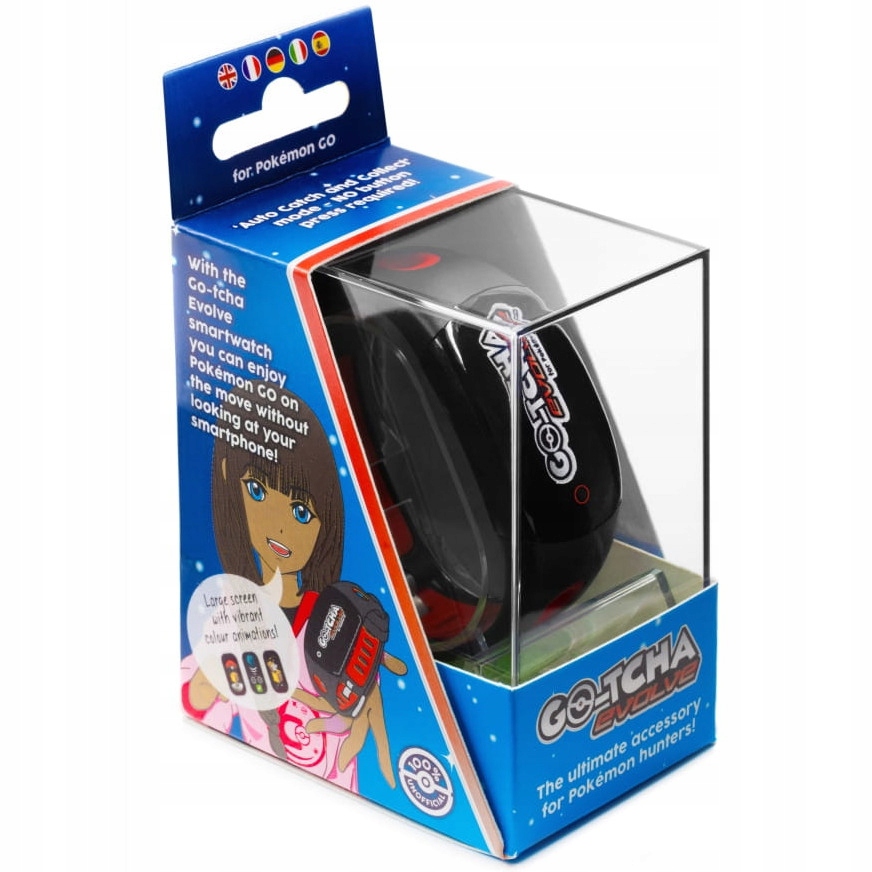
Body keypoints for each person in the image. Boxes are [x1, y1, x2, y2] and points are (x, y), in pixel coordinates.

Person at [182, 381, 404, 789]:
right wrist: (216, 672)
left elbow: (353, 716)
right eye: (257, 491)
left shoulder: (337, 614)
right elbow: (197, 706)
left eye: (302, 511)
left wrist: (360, 696)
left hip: (340, 789)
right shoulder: (230, 617)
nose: (281, 527)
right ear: (230, 480)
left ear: (326, 519)